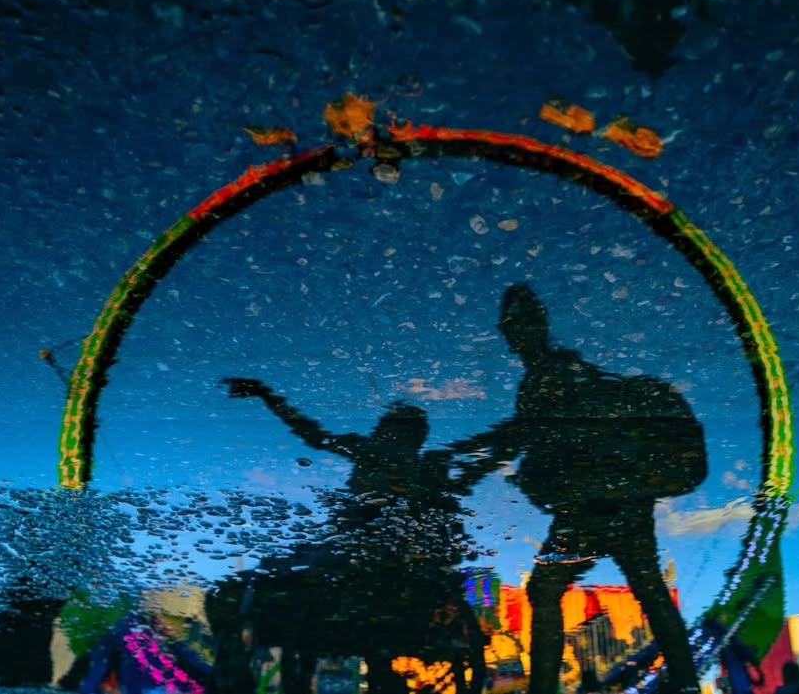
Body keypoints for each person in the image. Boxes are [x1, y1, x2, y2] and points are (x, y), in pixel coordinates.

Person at [441, 283, 708, 694]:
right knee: (647, 589)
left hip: (594, 503)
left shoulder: (550, 372)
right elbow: (522, 435)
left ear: (535, 325)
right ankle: (687, 684)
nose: (511, 334)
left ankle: (545, 689)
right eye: (508, 326)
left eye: (515, 324)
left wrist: (466, 471)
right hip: (614, 500)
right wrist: (466, 462)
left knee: (552, 590)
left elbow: (522, 435)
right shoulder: (557, 372)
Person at [208, 378, 484, 694]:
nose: (392, 438)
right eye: (392, 430)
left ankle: (244, 667)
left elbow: (312, 434)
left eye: (399, 430)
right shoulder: (416, 465)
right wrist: (268, 397)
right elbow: (312, 434)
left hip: (370, 557)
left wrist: (268, 397)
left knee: (256, 583)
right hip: (365, 555)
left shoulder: (411, 465)